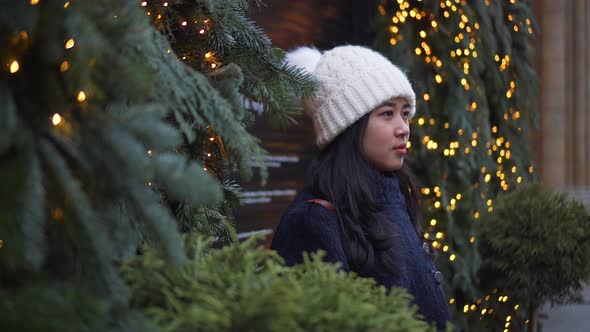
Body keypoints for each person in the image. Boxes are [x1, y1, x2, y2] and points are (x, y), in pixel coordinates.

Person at [270, 45, 451, 330]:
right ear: (349, 127)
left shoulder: (394, 198)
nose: (404, 127)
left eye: (405, 113)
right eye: (387, 114)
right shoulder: (313, 220)